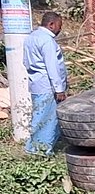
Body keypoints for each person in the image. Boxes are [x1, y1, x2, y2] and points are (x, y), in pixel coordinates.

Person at [22, 11, 67, 155]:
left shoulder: (31, 37)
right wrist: (59, 89)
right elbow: (52, 67)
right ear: (51, 24)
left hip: (36, 84)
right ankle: (40, 151)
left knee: (40, 117)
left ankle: (36, 148)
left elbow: (25, 62)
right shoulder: (47, 41)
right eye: (59, 25)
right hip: (48, 87)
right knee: (47, 120)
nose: (60, 29)